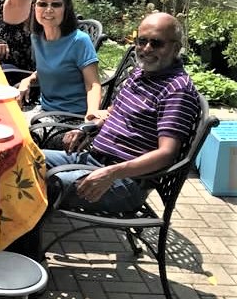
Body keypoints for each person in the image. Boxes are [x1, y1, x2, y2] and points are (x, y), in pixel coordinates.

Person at [43, 12, 200, 213]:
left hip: (126, 182)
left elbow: (166, 154)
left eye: (157, 43)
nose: (146, 48)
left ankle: (25, 232)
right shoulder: (141, 73)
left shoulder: (177, 90)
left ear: (176, 48)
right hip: (95, 160)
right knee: (24, 159)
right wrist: (87, 128)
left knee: (43, 184)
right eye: (142, 41)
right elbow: (114, 112)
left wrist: (113, 173)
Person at [18, 0, 101, 118]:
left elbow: (93, 85)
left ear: (66, 9)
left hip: (72, 115)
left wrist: (91, 116)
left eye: (56, 4)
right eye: (42, 4)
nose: (49, 9)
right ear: (34, 8)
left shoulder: (79, 41)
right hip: (44, 109)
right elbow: (51, 70)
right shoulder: (36, 38)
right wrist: (28, 80)